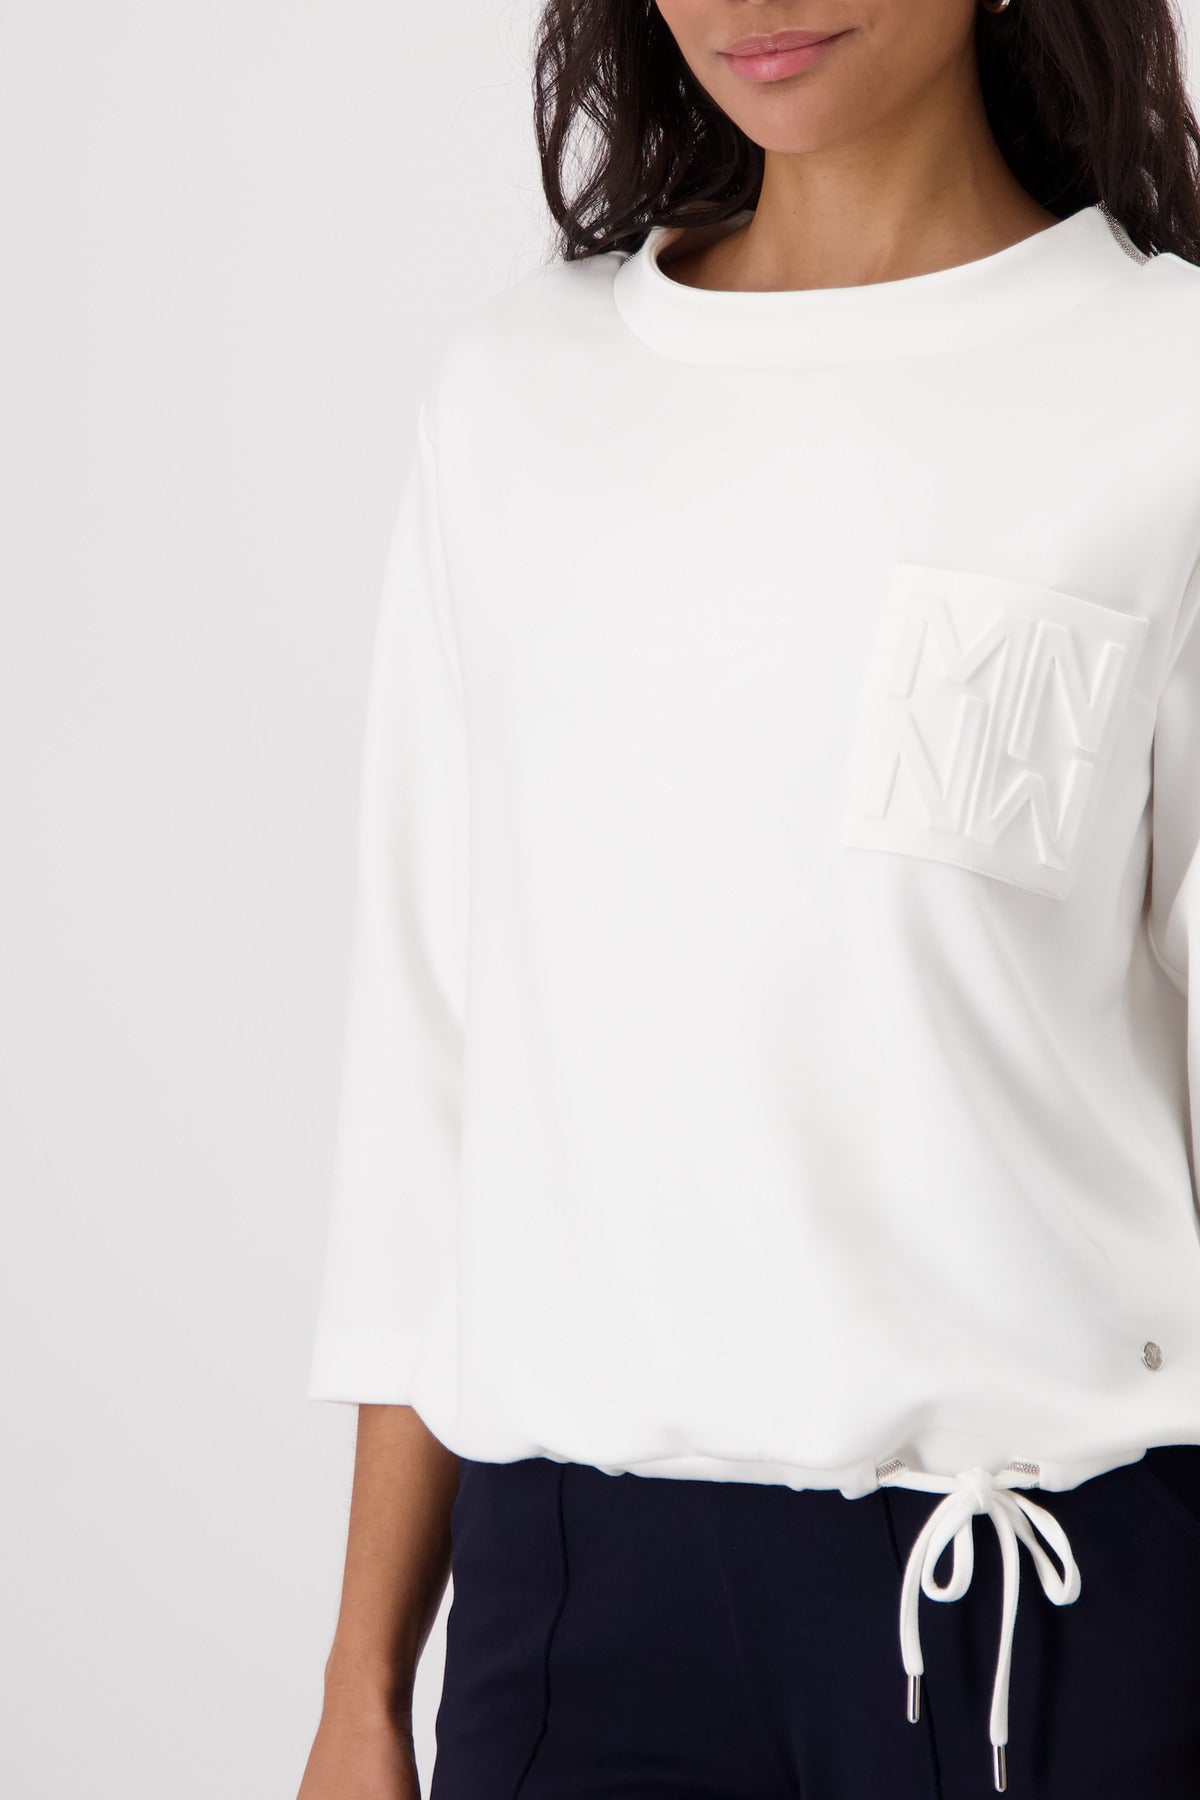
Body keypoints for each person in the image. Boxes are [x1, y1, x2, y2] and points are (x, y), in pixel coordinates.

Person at [296, 1, 1200, 1796]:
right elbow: (432, 1077)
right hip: (573, 1605)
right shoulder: (519, 400)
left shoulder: (1162, 389)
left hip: (1039, 1598)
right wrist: (361, 1683)